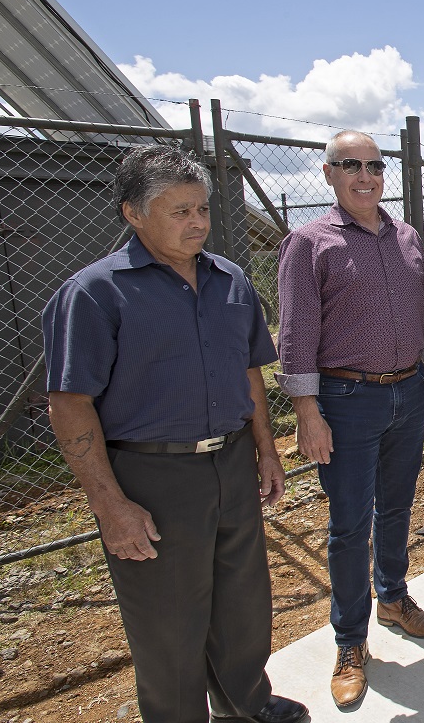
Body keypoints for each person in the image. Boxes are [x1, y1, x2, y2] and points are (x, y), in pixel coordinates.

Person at [42, 144, 306, 723]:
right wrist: (111, 506)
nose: (198, 223)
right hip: (151, 476)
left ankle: (247, 701)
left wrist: (267, 451)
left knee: (243, 603)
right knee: (169, 622)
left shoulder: (229, 279)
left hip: (231, 463)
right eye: (179, 211)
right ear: (133, 214)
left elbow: (249, 372)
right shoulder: (94, 293)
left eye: (203, 208)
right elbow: (69, 404)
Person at [276, 131, 424, 709]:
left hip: (407, 393)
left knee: (398, 505)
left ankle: (394, 599)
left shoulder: (406, 237)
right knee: (350, 526)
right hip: (346, 403)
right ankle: (351, 642)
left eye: (375, 165)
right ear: (328, 174)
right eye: (350, 164)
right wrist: (307, 411)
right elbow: (297, 332)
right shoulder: (309, 242)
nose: (365, 174)